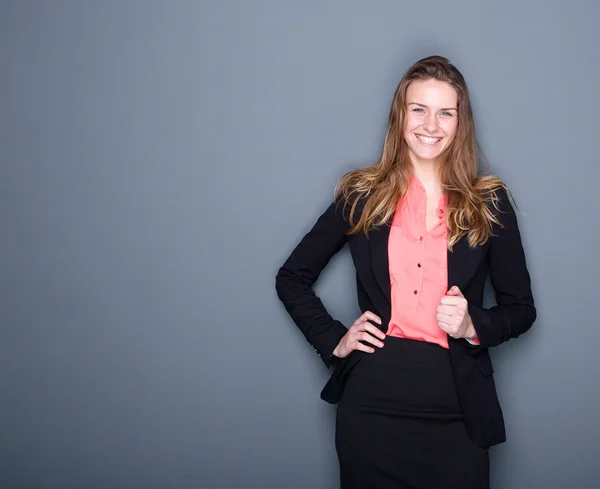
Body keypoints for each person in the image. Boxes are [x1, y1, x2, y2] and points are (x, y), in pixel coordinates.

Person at [275, 55, 536, 489]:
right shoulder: (362, 195)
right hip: (372, 404)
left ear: (460, 122)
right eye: (419, 109)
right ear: (401, 116)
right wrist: (333, 339)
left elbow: (521, 309)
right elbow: (292, 277)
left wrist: (475, 324)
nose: (430, 125)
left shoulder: (490, 203)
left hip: (457, 404)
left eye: (445, 112)